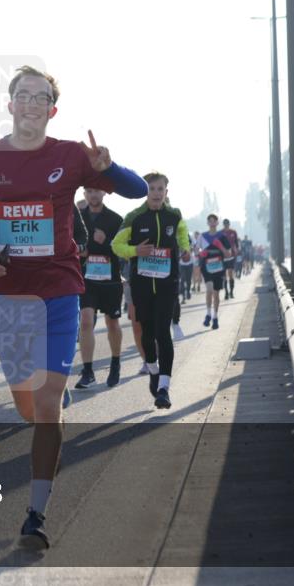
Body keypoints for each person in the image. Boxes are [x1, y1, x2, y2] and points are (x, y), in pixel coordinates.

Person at [0, 66, 147, 549]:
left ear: (52, 109)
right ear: (10, 104)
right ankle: (50, 413)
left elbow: (138, 190)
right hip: (10, 295)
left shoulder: (73, 155)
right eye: (24, 96)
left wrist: (112, 166)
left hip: (60, 289)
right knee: (26, 403)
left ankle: (36, 514)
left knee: (45, 404)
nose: (32, 104)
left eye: (41, 97)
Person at [111, 172, 191, 409]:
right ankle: (154, 371)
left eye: (160, 189)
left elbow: (182, 234)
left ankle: (164, 388)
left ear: (167, 192)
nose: (156, 193)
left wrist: (186, 248)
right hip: (142, 284)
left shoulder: (174, 215)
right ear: (146, 191)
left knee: (163, 333)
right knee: (147, 333)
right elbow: (116, 245)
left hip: (167, 283)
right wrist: (136, 251)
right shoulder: (134, 217)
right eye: (152, 189)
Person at [75, 188, 125, 389]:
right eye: (89, 191)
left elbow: (122, 250)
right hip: (86, 279)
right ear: (85, 194)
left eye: (96, 191)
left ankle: (115, 363)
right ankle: (87, 371)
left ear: (104, 193)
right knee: (86, 321)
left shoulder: (115, 219)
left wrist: (105, 244)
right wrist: (80, 251)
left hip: (110, 279)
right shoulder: (78, 218)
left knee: (112, 323)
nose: (93, 195)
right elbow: (73, 244)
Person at [198, 215, 233, 330]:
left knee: (216, 293)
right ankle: (208, 314)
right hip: (206, 267)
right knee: (209, 290)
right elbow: (195, 250)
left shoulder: (222, 236)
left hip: (218, 268)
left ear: (217, 223)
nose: (212, 223)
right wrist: (200, 253)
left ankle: (215, 317)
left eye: (214, 221)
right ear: (207, 223)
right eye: (210, 221)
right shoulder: (203, 236)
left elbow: (228, 254)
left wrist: (221, 247)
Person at [220, 218, 240, 299]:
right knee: (224, 275)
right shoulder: (220, 233)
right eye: (225, 224)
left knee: (231, 274)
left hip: (232, 256)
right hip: (223, 256)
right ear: (223, 225)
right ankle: (226, 293)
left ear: (229, 224)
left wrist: (236, 251)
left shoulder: (233, 232)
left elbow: (236, 243)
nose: (226, 226)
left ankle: (231, 292)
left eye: (227, 224)